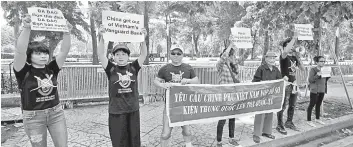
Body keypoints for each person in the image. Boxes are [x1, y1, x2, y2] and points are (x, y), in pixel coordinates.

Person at [13, 14, 72, 146]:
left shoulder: (52, 68)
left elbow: (64, 51)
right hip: (33, 117)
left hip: (56, 114)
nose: (43, 56)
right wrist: (27, 28)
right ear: (30, 55)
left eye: (45, 53)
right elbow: (20, 51)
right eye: (38, 53)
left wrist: (67, 32)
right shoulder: (23, 71)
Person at [97, 25, 147, 147]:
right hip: (116, 111)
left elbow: (143, 54)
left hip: (133, 110)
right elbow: (100, 55)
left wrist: (143, 39)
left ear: (128, 56)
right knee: (118, 141)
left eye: (123, 54)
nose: (120, 56)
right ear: (113, 56)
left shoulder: (133, 67)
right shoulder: (111, 69)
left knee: (134, 141)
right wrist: (102, 37)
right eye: (117, 54)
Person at [154, 47, 199, 147]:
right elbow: (156, 81)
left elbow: (196, 80)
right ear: (170, 54)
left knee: (187, 131)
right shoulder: (165, 68)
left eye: (178, 53)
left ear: (182, 55)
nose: (176, 55)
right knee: (165, 134)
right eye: (173, 53)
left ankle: (188, 145)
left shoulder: (188, 68)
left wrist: (188, 80)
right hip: (169, 107)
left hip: (184, 106)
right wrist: (162, 85)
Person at [252, 52, 287, 143]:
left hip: (271, 96)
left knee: (269, 113)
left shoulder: (275, 69)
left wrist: (284, 79)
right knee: (260, 114)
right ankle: (256, 134)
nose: (272, 60)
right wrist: (262, 83)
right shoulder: (261, 68)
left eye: (274, 58)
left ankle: (267, 132)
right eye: (270, 58)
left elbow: (279, 80)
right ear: (266, 59)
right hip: (262, 96)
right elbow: (255, 81)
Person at [277, 32, 305, 135]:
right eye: (291, 46)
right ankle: (279, 125)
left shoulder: (294, 58)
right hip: (286, 84)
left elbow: (302, 69)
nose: (293, 47)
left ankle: (289, 122)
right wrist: (293, 38)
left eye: (293, 46)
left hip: (294, 84)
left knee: (292, 105)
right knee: (282, 106)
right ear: (286, 47)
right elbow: (285, 51)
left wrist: (298, 57)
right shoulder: (283, 56)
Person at [215, 43, 241, 147]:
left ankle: (231, 138)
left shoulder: (234, 67)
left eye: (233, 55)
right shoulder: (220, 65)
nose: (233, 57)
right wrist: (230, 46)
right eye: (232, 55)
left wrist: (234, 62)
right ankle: (219, 141)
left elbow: (237, 77)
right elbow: (223, 58)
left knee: (232, 118)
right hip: (224, 95)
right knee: (222, 119)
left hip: (233, 95)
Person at [306, 56, 330, 127]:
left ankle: (317, 118)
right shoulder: (313, 70)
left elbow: (325, 80)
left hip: (322, 89)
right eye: (321, 61)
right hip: (315, 90)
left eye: (324, 61)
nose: (323, 63)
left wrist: (328, 75)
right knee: (312, 104)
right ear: (317, 62)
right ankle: (309, 120)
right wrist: (317, 75)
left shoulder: (324, 69)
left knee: (318, 104)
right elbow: (310, 80)